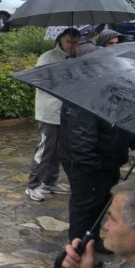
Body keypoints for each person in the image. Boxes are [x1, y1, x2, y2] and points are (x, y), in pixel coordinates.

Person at [59, 97, 135, 252]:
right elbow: (81, 140)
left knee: (100, 203)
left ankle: (92, 241)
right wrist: (93, 168)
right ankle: (79, 250)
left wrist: (131, 140)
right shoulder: (84, 99)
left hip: (106, 164)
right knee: (85, 207)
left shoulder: (112, 96)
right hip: (89, 167)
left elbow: (115, 126)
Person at [26, 28, 79, 202]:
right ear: (61, 40)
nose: (71, 46)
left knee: (59, 150)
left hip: (65, 112)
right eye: (68, 42)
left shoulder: (75, 58)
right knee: (45, 149)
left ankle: (50, 182)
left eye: (75, 42)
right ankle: (33, 185)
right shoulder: (47, 58)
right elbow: (40, 81)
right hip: (49, 111)